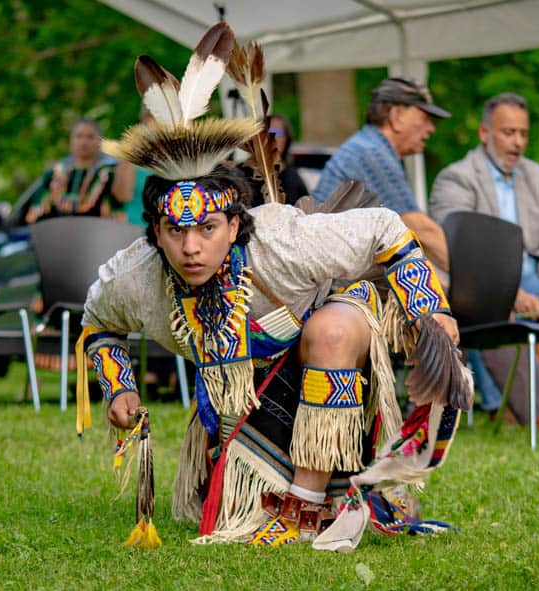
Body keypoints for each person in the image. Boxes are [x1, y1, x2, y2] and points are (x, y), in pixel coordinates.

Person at [77, 23, 470, 549]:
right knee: (225, 515)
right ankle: (342, 490)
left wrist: (429, 309)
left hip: (330, 331)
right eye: (176, 232)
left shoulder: (282, 241)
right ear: (156, 233)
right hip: (245, 396)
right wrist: (119, 385)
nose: (192, 248)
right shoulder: (137, 278)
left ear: (235, 226)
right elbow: (97, 324)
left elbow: (385, 228)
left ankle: (305, 506)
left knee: (332, 329)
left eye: (207, 229)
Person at [428, 91, 539, 423]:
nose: (517, 142)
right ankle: (517, 408)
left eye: (523, 134)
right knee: (494, 311)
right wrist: (510, 293)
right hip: (480, 285)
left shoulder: (534, 175)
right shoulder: (457, 178)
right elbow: (460, 250)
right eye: (508, 132)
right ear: (485, 133)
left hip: (533, 279)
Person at [311, 77, 451, 272]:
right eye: (425, 118)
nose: (431, 128)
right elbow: (421, 230)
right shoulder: (371, 152)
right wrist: (477, 278)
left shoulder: (368, 146)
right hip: (329, 280)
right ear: (396, 116)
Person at [24, 118, 130, 224]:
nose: (84, 142)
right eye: (79, 136)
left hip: (99, 235)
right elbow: (34, 215)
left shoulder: (110, 171)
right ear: (71, 140)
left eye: (90, 137)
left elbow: (121, 202)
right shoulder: (55, 173)